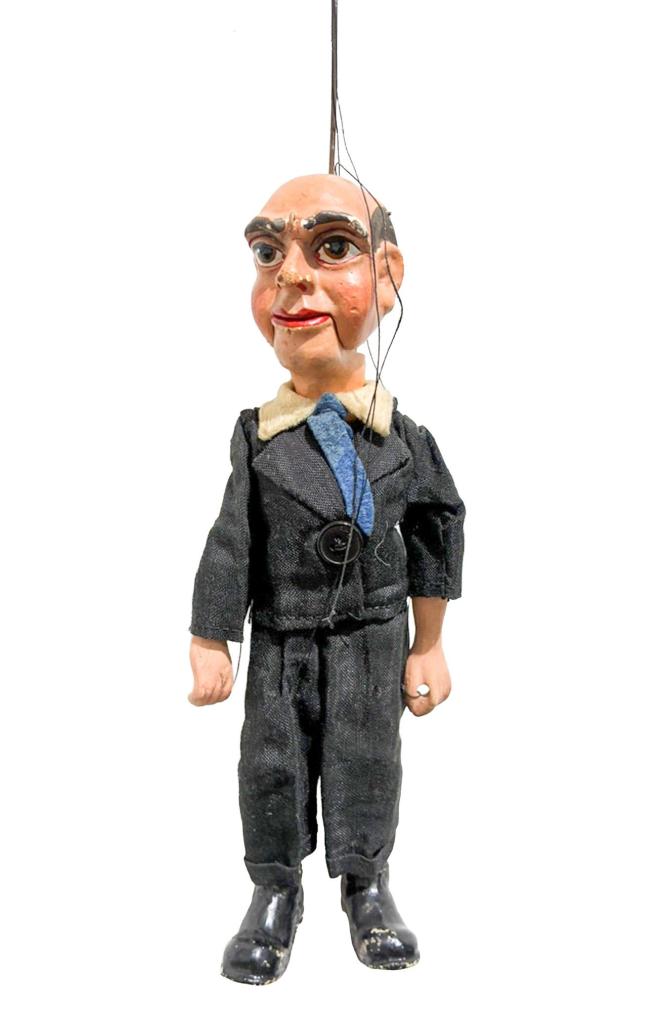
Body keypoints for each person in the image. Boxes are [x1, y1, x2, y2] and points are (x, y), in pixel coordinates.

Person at [188, 173, 465, 985]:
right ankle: (274, 890)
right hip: (283, 637)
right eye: (267, 253)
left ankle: (365, 883)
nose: (291, 277)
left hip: (372, 639)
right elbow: (231, 539)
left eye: (332, 247)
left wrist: (429, 643)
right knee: (270, 765)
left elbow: (436, 532)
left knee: (367, 760)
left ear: (386, 275)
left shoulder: (404, 439)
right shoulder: (257, 438)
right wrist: (211, 635)